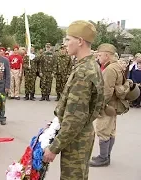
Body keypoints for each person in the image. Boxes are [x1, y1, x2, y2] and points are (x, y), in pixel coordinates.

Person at [43, 20, 104, 180]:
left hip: (76, 138)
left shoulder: (84, 72)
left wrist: (54, 148)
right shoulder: (89, 65)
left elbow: (75, 117)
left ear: (80, 41)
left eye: (68, 39)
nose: (65, 44)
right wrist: (57, 124)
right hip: (79, 135)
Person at [89, 44, 130, 167]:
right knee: (110, 131)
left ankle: (103, 158)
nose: (98, 57)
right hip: (113, 104)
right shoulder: (117, 66)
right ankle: (106, 156)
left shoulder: (110, 69)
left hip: (107, 105)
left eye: (100, 55)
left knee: (103, 130)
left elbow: (106, 91)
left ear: (107, 55)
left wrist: (98, 105)